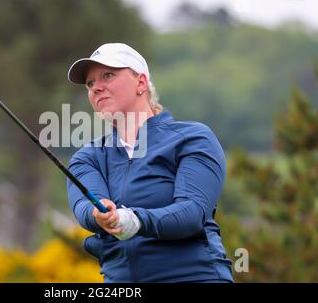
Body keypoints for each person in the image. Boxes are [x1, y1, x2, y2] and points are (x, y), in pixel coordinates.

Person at [66, 43, 234, 283]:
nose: (96, 88)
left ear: (141, 83)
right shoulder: (88, 157)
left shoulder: (192, 138)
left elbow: (192, 212)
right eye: (90, 83)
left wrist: (134, 219)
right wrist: (98, 213)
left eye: (108, 75)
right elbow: (85, 206)